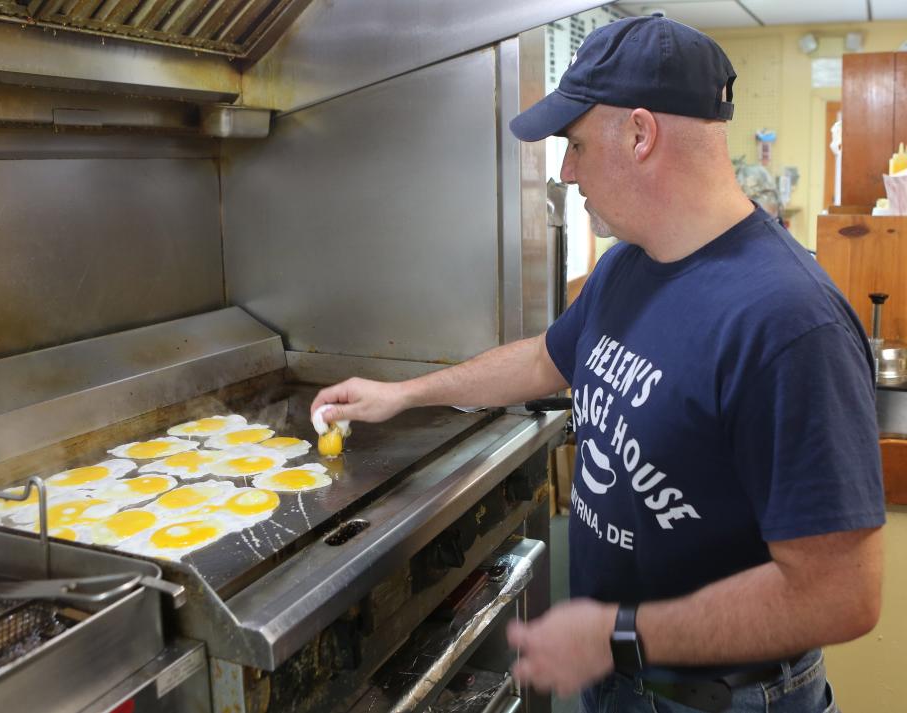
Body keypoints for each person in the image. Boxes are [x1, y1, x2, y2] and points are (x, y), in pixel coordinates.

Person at [311, 15, 885, 713]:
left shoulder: (789, 322)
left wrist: (618, 633)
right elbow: (542, 359)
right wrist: (402, 394)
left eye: (577, 144)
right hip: (623, 678)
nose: (566, 171)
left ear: (641, 134)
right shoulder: (627, 268)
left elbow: (840, 595)